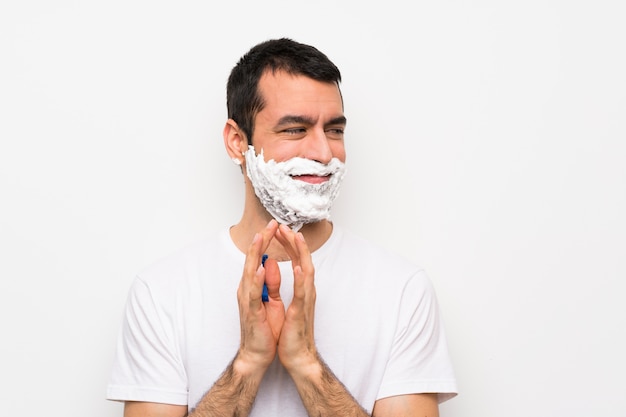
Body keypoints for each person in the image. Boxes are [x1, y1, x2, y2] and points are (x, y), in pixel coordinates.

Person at [107, 38, 457, 416]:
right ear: (238, 142)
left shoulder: (403, 291)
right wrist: (247, 364)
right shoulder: (162, 294)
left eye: (335, 130)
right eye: (295, 130)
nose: (324, 152)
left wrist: (307, 365)